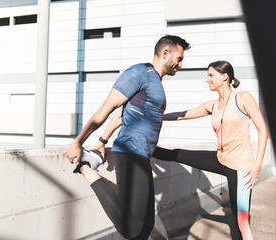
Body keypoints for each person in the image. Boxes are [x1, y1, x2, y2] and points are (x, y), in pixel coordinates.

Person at [64, 35, 190, 240]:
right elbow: (107, 108)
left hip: (141, 155)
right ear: (165, 53)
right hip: (130, 152)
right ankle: (85, 166)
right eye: (179, 58)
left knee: (146, 224)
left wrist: (102, 142)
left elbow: (121, 116)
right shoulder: (140, 72)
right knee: (131, 228)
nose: (181, 65)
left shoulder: (155, 82)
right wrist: (78, 142)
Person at [152, 60, 268, 240]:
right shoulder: (213, 105)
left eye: (211, 75)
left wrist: (257, 165)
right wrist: (156, 117)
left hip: (241, 169)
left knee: (241, 223)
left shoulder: (242, 98)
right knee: (178, 154)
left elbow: (263, 129)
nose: (207, 79)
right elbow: (183, 115)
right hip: (221, 159)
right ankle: (145, 148)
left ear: (224, 76)